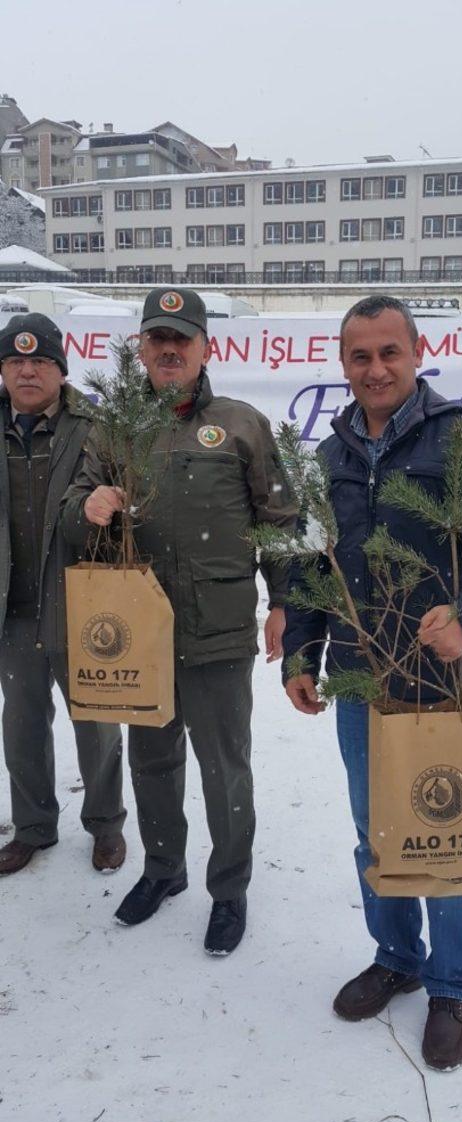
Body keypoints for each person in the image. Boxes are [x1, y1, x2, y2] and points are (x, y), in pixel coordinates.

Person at [283, 295, 462, 1070]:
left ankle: (451, 987)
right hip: (361, 683)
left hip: (445, 682)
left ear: (416, 351)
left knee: (446, 837)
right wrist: (303, 652)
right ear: (343, 363)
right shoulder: (327, 459)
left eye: (388, 352)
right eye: (359, 356)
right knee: (377, 831)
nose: (375, 369)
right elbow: (306, 564)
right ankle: (395, 956)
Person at [61, 287, 297, 954]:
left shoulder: (243, 423)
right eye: (157, 337)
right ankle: (163, 869)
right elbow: (74, 506)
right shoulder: (112, 432)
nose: (169, 348)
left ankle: (229, 889)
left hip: (218, 626)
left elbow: (280, 522)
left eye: (182, 338)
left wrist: (282, 601)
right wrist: (91, 502)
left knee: (226, 766)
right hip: (140, 631)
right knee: (153, 758)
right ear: (140, 349)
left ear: (205, 347)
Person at [0, 314, 126, 876]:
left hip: (79, 604)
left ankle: (106, 826)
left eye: (40, 360)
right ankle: (31, 827)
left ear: (61, 369)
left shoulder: (94, 427)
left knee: (96, 722)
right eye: (15, 361)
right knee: (22, 723)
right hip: (12, 609)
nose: (27, 371)